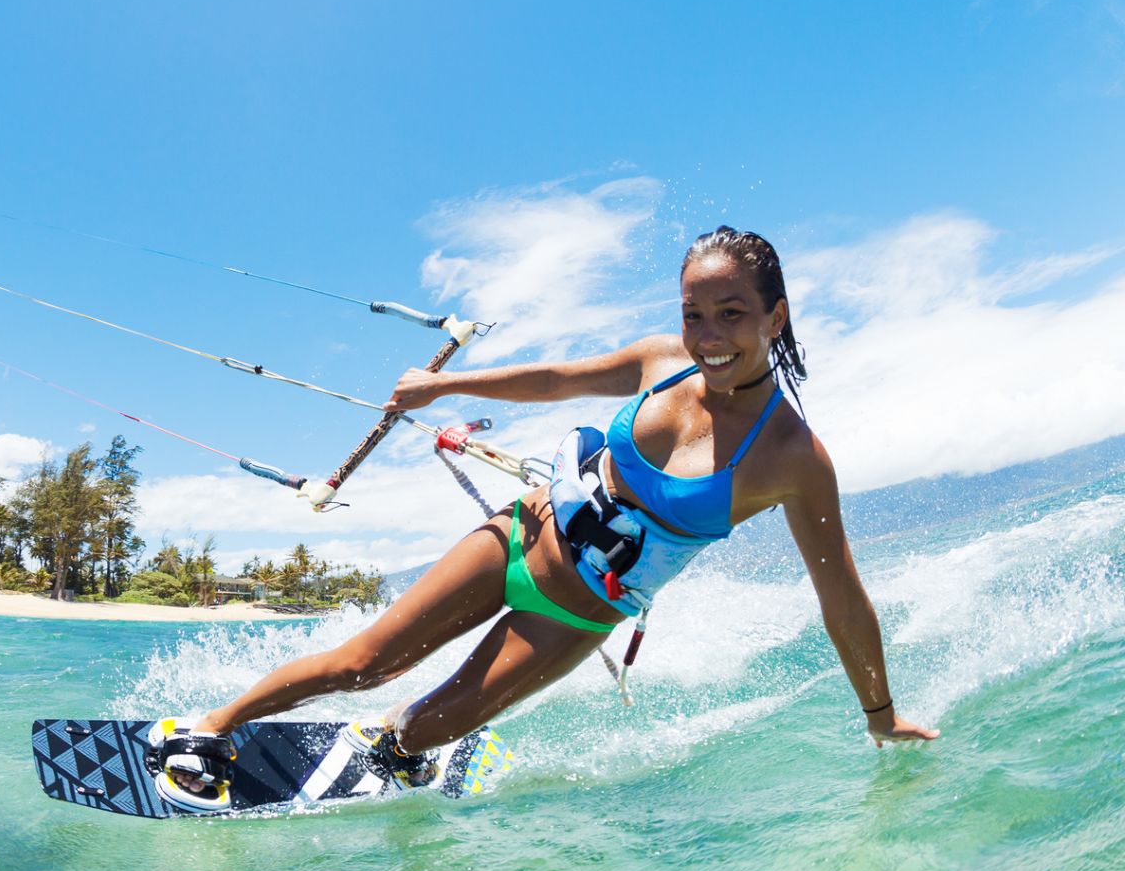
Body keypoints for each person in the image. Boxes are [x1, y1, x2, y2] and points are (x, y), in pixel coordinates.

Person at [150, 225, 938, 813]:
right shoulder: (664, 362)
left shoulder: (793, 459)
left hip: (574, 617)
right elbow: (558, 378)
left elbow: (841, 596)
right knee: (366, 661)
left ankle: (397, 737)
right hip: (521, 538)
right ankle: (206, 728)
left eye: (730, 313)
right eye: (695, 314)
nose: (707, 336)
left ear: (775, 315)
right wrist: (443, 389)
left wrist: (881, 713)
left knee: (421, 736)